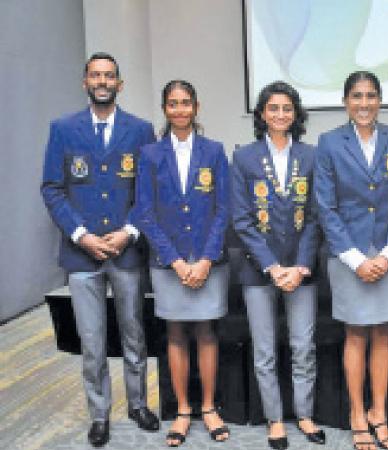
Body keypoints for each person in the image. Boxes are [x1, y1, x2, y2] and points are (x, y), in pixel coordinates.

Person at [40, 52, 160, 447]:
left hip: (125, 250)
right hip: (82, 254)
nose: (103, 81)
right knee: (91, 341)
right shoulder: (63, 128)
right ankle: (99, 414)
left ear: (119, 84)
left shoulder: (141, 130)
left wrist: (128, 231)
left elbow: (148, 191)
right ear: (85, 82)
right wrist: (80, 235)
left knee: (133, 334)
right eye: (96, 75)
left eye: (109, 75)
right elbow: (53, 188)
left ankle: (139, 404)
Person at [314, 71, 388, 450]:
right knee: (355, 334)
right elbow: (326, 206)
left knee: (383, 334)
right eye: (356, 96)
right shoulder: (328, 143)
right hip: (348, 256)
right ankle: (357, 413)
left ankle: (379, 412)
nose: (364, 103)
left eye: (371, 96)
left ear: (380, 100)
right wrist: (356, 259)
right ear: (345, 102)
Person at [133, 80, 231, 447]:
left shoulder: (215, 151)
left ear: (196, 106)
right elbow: (145, 212)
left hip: (208, 262)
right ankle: (183, 410)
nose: (179, 110)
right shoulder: (150, 154)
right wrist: (175, 261)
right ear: (164, 109)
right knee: (175, 335)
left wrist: (205, 259)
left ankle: (208, 407)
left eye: (185, 103)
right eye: (172, 104)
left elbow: (224, 208)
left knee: (206, 333)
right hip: (167, 264)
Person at [231, 81, 325, 449]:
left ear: (296, 113)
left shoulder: (312, 156)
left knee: (303, 346)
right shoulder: (244, 158)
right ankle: (274, 419)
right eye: (273, 108)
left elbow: (317, 217)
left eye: (287, 108)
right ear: (261, 114)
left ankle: (304, 415)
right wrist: (273, 267)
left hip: (301, 271)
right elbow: (241, 220)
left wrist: (299, 266)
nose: (280, 115)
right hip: (259, 271)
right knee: (265, 350)